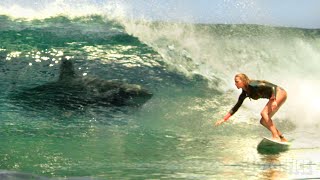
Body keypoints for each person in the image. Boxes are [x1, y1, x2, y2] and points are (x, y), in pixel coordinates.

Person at [215, 73, 288, 142]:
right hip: (276, 96)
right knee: (263, 121)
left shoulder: (253, 84)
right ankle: (282, 138)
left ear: (243, 81)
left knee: (263, 113)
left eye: (237, 81)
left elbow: (273, 87)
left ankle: (275, 136)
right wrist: (223, 119)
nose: (235, 83)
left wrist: (274, 100)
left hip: (279, 93)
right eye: (235, 82)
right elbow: (236, 107)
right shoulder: (244, 94)